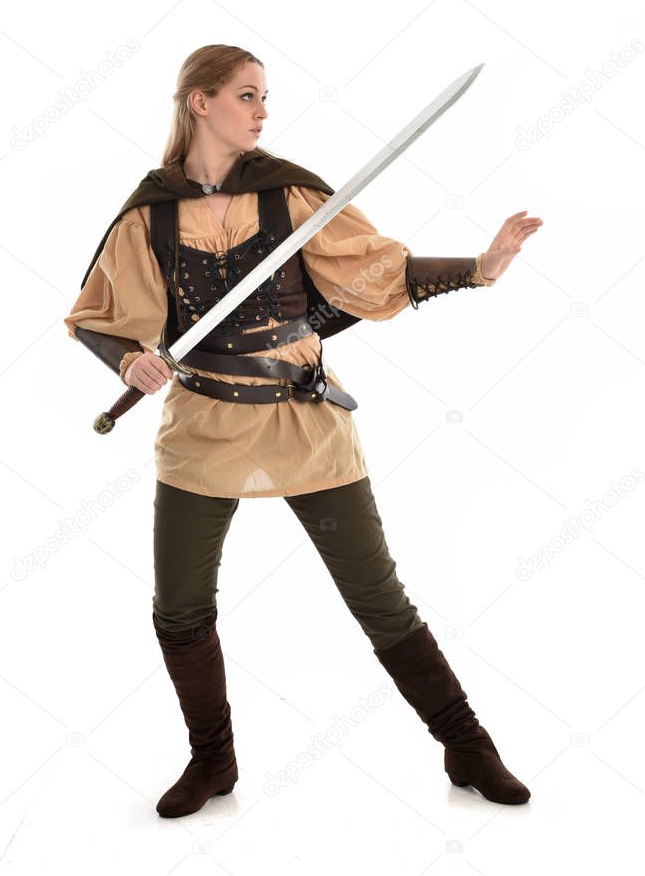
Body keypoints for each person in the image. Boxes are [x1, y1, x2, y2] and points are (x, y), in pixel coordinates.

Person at [64, 44, 543, 819]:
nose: (261, 111)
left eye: (264, 98)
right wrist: (128, 365)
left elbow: (378, 274)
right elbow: (96, 317)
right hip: (203, 427)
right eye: (247, 95)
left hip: (306, 419)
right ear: (200, 104)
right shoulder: (148, 213)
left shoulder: (293, 196)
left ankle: (467, 744)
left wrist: (479, 266)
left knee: (379, 598)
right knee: (180, 607)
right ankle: (212, 761)